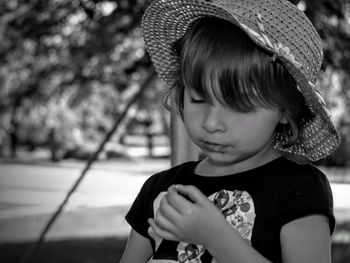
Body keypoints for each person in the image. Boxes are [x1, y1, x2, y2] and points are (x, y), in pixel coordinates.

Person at [119, 0, 341, 262]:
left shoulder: (299, 190)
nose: (212, 123)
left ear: (285, 110)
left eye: (238, 106)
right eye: (198, 100)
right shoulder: (161, 188)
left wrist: (215, 237)